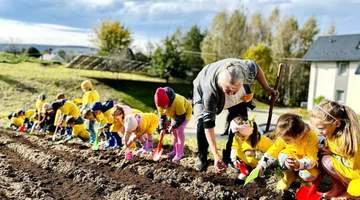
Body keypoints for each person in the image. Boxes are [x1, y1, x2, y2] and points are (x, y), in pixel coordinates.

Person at [192, 58, 278, 172]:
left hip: (233, 86)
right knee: (201, 123)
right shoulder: (210, 90)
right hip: (202, 84)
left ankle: (231, 158)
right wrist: (216, 154)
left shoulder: (246, 71)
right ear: (221, 82)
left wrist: (267, 88)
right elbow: (208, 124)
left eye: (234, 91)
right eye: (228, 90)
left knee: (241, 123)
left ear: (242, 83)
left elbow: (255, 67)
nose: (230, 94)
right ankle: (202, 159)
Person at [254, 113, 319, 191]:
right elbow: (273, 151)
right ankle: (289, 176)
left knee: (308, 176)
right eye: (282, 139)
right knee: (282, 156)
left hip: (306, 161)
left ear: (299, 135)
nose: (284, 141)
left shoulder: (310, 137)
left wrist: (299, 164)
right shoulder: (285, 134)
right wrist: (261, 165)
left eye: (287, 140)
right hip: (292, 155)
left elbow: (312, 159)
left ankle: (305, 182)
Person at [311, 100, 360, 199]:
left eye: (320, 128)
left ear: (336, 123)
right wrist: (330, 152)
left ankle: (348, 193)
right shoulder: (332, 135)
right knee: (325, 159)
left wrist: (333, 155)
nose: (318, 132)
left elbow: (354, 168)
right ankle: (339, 186)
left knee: (355, 188)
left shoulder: (347, 142)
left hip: (357, 175)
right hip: (348, 172)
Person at [230, 115, 273, 185]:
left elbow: (272, 153)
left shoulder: (262, 141)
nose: (240, 138)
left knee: (259, 175)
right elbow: (234, 148)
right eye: (237, 135)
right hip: (245, 164)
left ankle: (262, 183)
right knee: (242, 176)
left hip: (259, 165)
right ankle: (238, 186)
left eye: (242, 136)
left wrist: (256, 154)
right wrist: (234, 160)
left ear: (249, 132)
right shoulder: (237, 138)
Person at [154, 87, 192, 163]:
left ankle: (180, 153)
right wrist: (162, 128)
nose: (164, 108)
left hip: (184, 114)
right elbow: (162, 117)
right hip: (173, 114)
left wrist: (174, 125)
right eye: (162, 107)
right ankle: (175, 151)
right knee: (173, 132)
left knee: (179, 130)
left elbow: (181, 117)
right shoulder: (159, 103)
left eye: (165, 105)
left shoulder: (177, 101)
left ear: (169, 100)